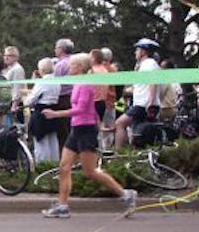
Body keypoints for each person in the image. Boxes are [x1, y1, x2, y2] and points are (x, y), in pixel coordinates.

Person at [39, 53, 137, 218]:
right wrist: (101, 126)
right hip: (77, 130)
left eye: (72, 66)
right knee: (64, 168)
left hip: (85, 131)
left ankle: (126, 194)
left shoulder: (85, 84)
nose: (69, 68)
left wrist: (56, 114)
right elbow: (91, 109)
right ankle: (62, 206)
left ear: (80, 68)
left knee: (90, 171)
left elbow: (81, 109)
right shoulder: (78, 83)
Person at [114, 38, 161, 148]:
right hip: (141, 103)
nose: (135, 52)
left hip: (143, 104)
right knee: (138, 132)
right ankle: (128, 151)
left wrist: (151, 101)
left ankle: (119, 151)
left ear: (143, 51)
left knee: (120, 123)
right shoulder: (146, 65)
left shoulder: (149, 64)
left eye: (137, 50)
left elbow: (152, 82)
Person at [51, 38, 76, 147]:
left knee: (63, 129)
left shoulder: (60, 65)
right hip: (74, 96)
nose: (55, 50)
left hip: (63, 98)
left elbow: (54, 83)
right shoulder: (74, 61)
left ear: (61, 49)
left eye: (56, 48)